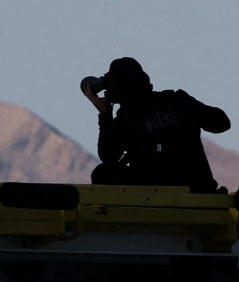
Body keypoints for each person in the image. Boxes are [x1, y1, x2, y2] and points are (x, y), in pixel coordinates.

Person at [82, 57, 231, 193]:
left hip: (153, 195)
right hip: (199, 190)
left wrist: (105, 114)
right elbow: (222, 123)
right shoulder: (177, 100)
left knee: (102, 173)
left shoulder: (126, 121)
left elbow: (108, 156)